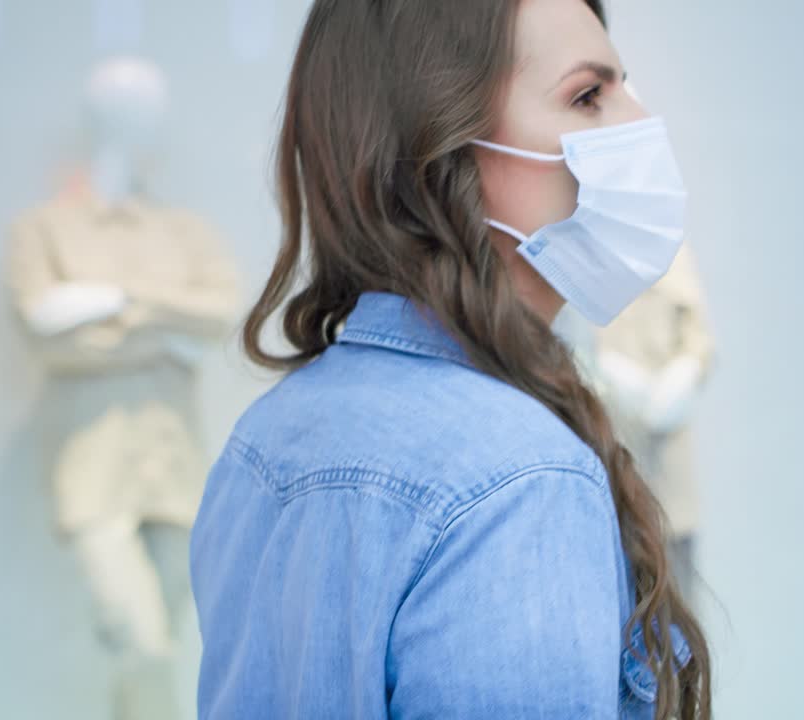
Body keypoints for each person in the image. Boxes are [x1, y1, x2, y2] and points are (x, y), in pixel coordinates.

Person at [188, 1, 712, 718]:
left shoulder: (265, 436)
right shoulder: (521, 479)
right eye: (588, 95)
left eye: (625, 85)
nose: (637, 123)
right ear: (443, 146)